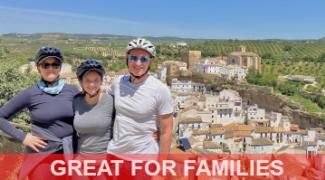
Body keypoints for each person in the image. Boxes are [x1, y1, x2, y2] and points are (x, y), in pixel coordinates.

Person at [0, 46, 79, 179]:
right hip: (42, 156)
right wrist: (24, 137)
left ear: (60, 67)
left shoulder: (72, 91)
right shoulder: (31, 93)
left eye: (55, 64)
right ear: (38, 68)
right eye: (45, 65)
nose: (50, 68)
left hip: (69, 153)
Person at [106, 38, 174, 155]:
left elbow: (166, 131)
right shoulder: (117, 83)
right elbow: (102, 98)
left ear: (150, 62)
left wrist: (162, 168)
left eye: (143, 59)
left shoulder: (160, 90)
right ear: (127, 59)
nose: (138, 63)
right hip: (114, 154)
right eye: (133, 58)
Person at [73, 59, 114, 154]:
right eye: (87, 80)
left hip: (105, 162)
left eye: (96, 80)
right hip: (80, 161)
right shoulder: (76, 101)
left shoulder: (111, 101)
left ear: (101, 81)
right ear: (80, 82)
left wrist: (154, 131)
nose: (92, 84)